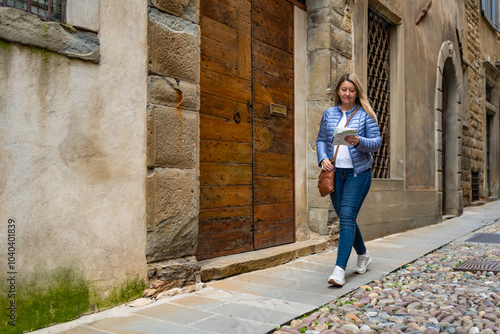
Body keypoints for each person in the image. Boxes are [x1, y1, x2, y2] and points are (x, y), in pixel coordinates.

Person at [316, 73, 382, 286]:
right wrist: (323, 158)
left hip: (358, 174)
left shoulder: (365, 115)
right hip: (336, 174)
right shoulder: (329, 114)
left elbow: (377, 143)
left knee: (346, 217)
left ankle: (339, 270)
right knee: (347, 217)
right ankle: (363, 255)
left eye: (351, 90)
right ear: (338, 91)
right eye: (344, 89)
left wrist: (358, 141)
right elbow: (320, 140)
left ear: (357, 93)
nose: (347, 93)